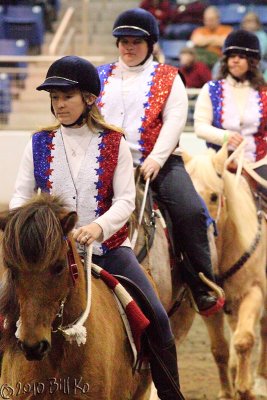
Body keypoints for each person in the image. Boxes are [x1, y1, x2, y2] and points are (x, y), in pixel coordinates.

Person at [9, 55, 185, 400]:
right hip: (48, 258)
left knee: (159, 320)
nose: (59, 104)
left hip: (107, 251)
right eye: (55, 98)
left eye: (67, 97)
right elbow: (20, 195)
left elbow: (124, 202)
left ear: (89, 99)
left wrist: (98, 228)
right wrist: (28, 232)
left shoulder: (115, 143)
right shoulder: (39, 143)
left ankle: (170, 393)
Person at [97, 8, 224, 322]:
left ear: (150, 43)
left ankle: (200, 281)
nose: (128, 47)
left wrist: (156, 158)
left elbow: (175, 121)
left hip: (159, 164)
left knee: (191, 211)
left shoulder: (169, 77)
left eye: (136, 41)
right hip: (108, 166)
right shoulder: (100, 76)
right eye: (123, 41)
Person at [194, 29, 267, 197]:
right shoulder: (211, 89)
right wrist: (225, 136)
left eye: (241, 57)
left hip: (257, 163)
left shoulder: (264, 93)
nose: (235, 60)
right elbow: (200, 127)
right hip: (219, 161)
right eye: (231, 56)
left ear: (252, 62)